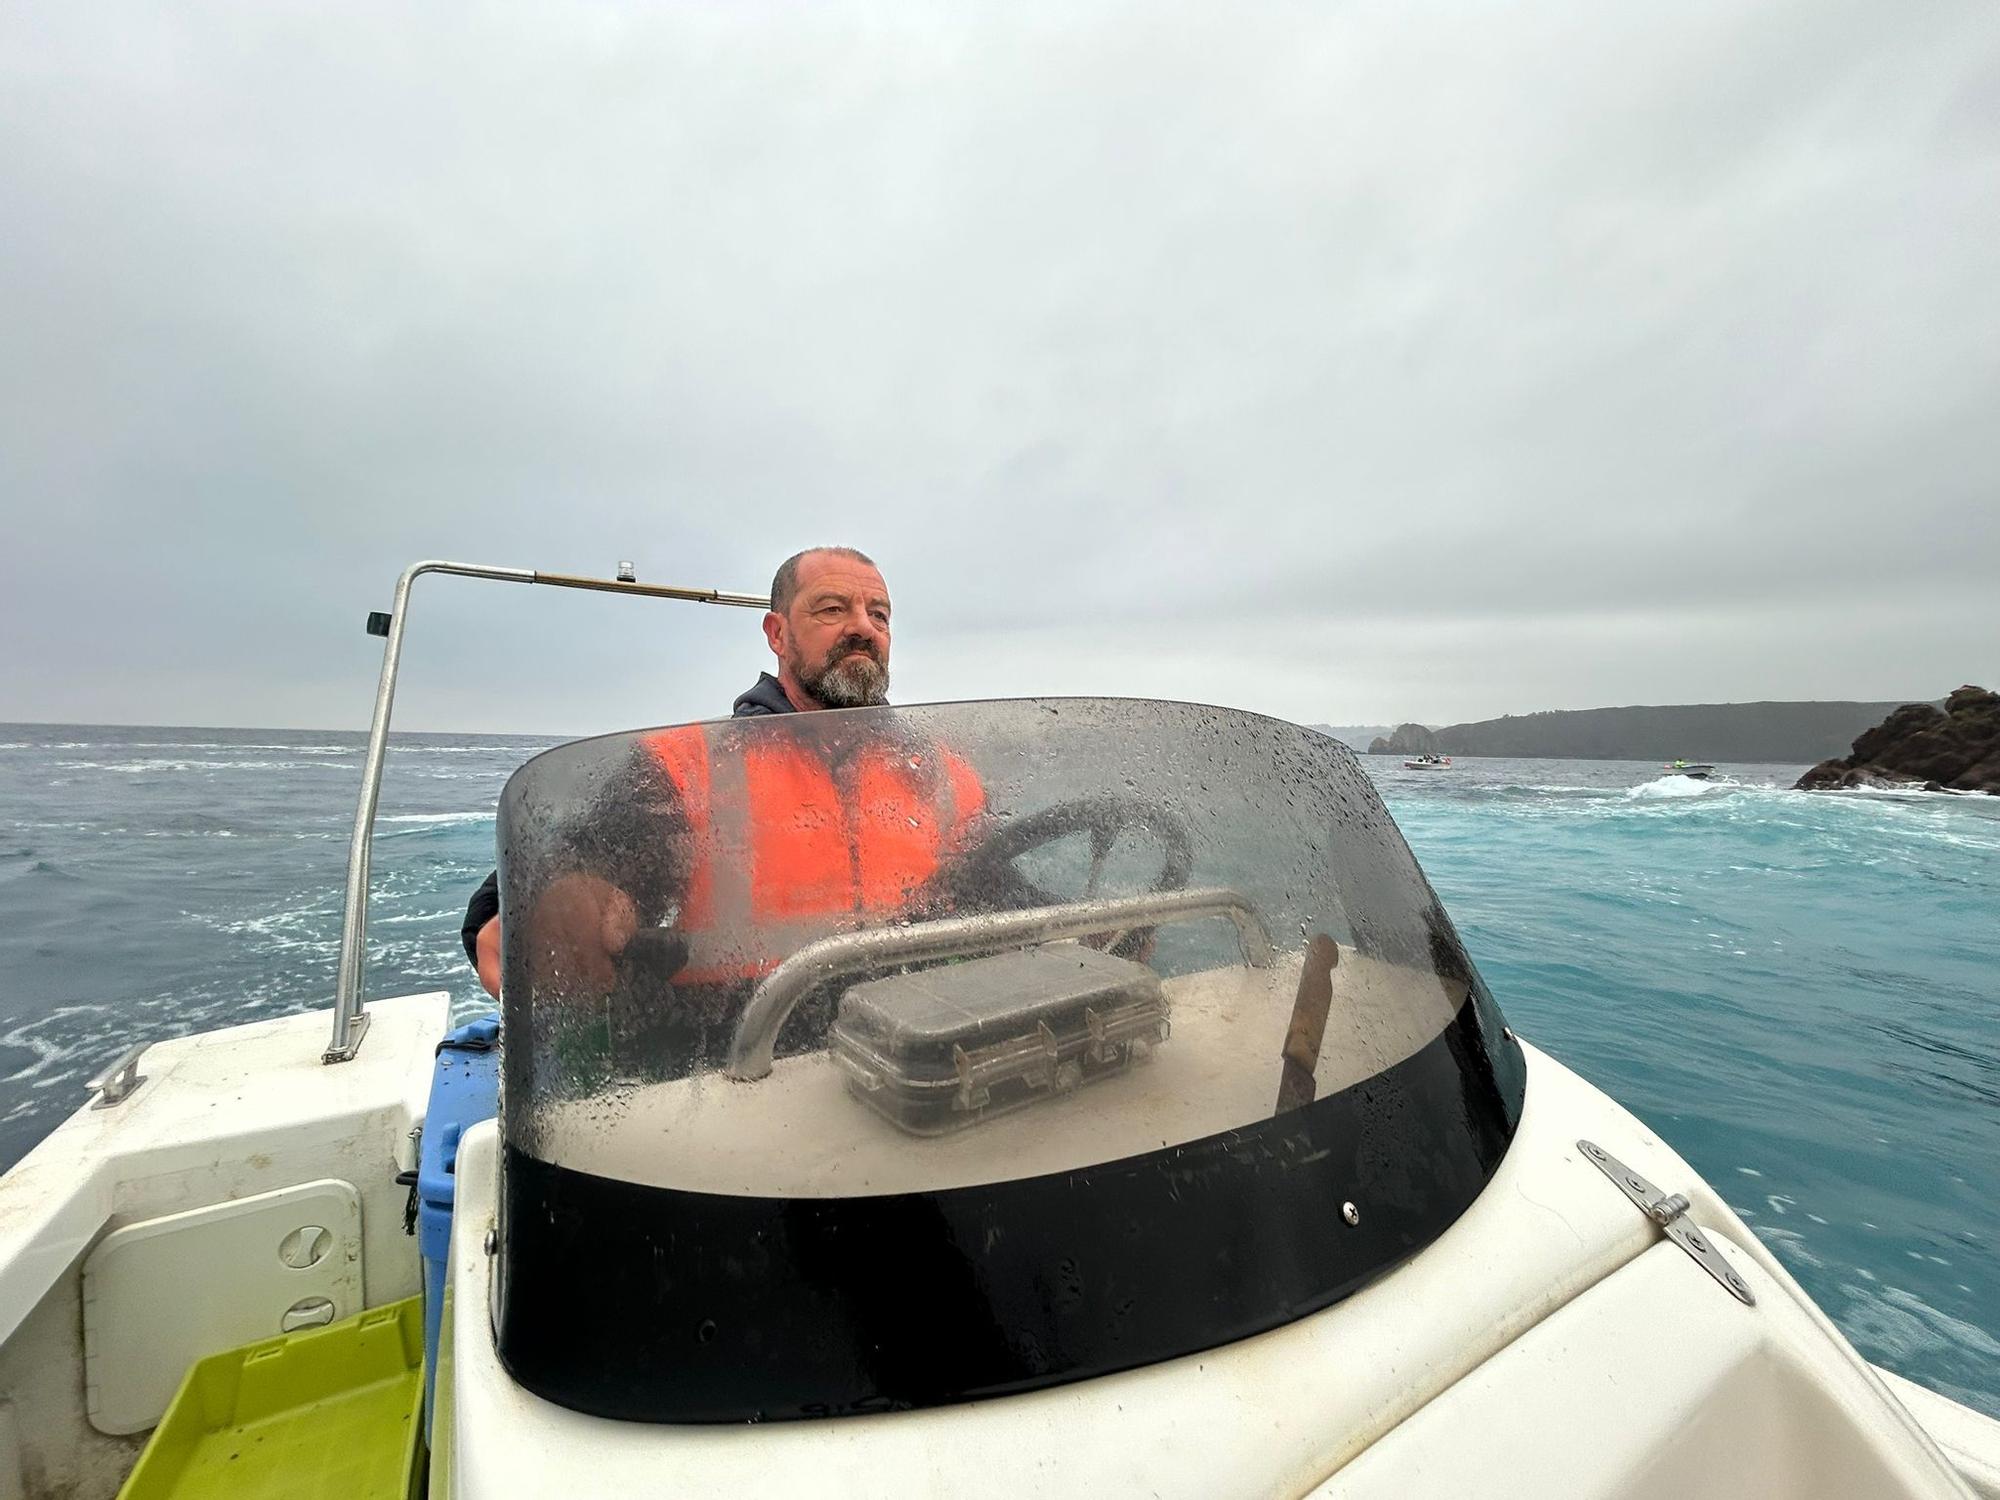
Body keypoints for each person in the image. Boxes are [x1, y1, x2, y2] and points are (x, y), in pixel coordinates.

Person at [459, 546, 984, 1011]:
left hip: (924, 1043)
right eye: (831, 609)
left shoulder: (939, 773)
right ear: (777, 634)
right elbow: (584, 858)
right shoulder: (691, 766)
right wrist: (565, 899)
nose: (864, 628)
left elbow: (999, 886)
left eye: (880, 615)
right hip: (737, 1063)